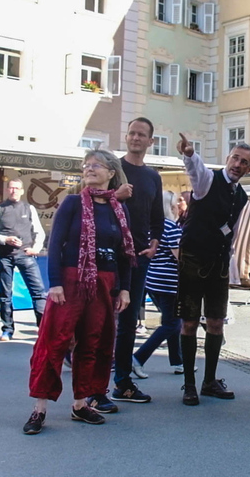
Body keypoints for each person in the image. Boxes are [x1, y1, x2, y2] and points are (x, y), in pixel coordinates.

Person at [24, 150, 134, 435]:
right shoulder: (73, 203)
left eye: (97, 165)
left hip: (106, 282)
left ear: (111, 172)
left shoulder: (119, 209)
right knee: (54, 341)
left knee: (94, 343)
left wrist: (124, 289)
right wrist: (55, 283)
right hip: (72, 279)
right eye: (87, 166)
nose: (90, 169)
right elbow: (56, 242)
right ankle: (39, 408)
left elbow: (125, 254)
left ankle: (81, 403)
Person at [175, 132, 250, 406]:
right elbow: (195, 170)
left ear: (249, 168)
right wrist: (189, 153)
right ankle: (189, 384)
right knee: (188, 322)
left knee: (216, 323)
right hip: (193, 260)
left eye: (244, 162)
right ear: (227, 158)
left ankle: (209, 380)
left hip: (219, 264)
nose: (237, 164)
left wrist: (230, 257)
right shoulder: (208, 180)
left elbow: (232, 228)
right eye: (235, 158)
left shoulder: (242, 195)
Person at [108, 117, 163, 405]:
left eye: (142, 134)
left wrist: (155, 243)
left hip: (138, 258)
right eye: (131, 133)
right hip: (109, 254)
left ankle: (122, 381)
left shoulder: (153, 176)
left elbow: (158, 218)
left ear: (150, 141)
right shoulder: (114, 169)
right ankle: (91, 384)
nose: (135, 138)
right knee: (102, 317)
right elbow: (88, 199)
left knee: (129, 321)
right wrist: (115, 195)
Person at [132, 191, 184, 378]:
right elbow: (181, 258)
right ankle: (138, 357)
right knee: (171, 323)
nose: (179, 206)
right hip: (170, 282)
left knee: (171, 322)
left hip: (153, 280)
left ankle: (178, 362)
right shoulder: (170, 227)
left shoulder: (149, 227)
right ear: (170, 207)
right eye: (177, 203)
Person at [0, 179, 47, 339]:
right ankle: (7, 329)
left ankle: (42, 328)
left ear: (22, 191)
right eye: (11, 188)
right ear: (7, 190)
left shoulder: (29, 208)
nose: (14, 190)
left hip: (25, 254)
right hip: (4, 256)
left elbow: (39, 231)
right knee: (5, 294)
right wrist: (5, 239)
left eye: (17, 188)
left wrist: (36, 248)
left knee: (38, 292)